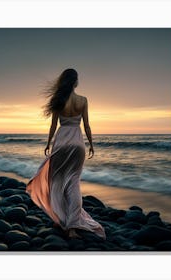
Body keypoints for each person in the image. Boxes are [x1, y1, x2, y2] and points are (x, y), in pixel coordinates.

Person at [25, 68, 106, 240]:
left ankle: (61, 218)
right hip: (77, 144)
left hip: (61, 143)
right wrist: (91, 144)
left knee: (58, 181)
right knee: (73, 183)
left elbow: (53, 126)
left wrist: (48, 143)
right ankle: (72, 226)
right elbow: (87, 126)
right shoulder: (83, 100)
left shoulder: (58, 100)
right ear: (75, 82)